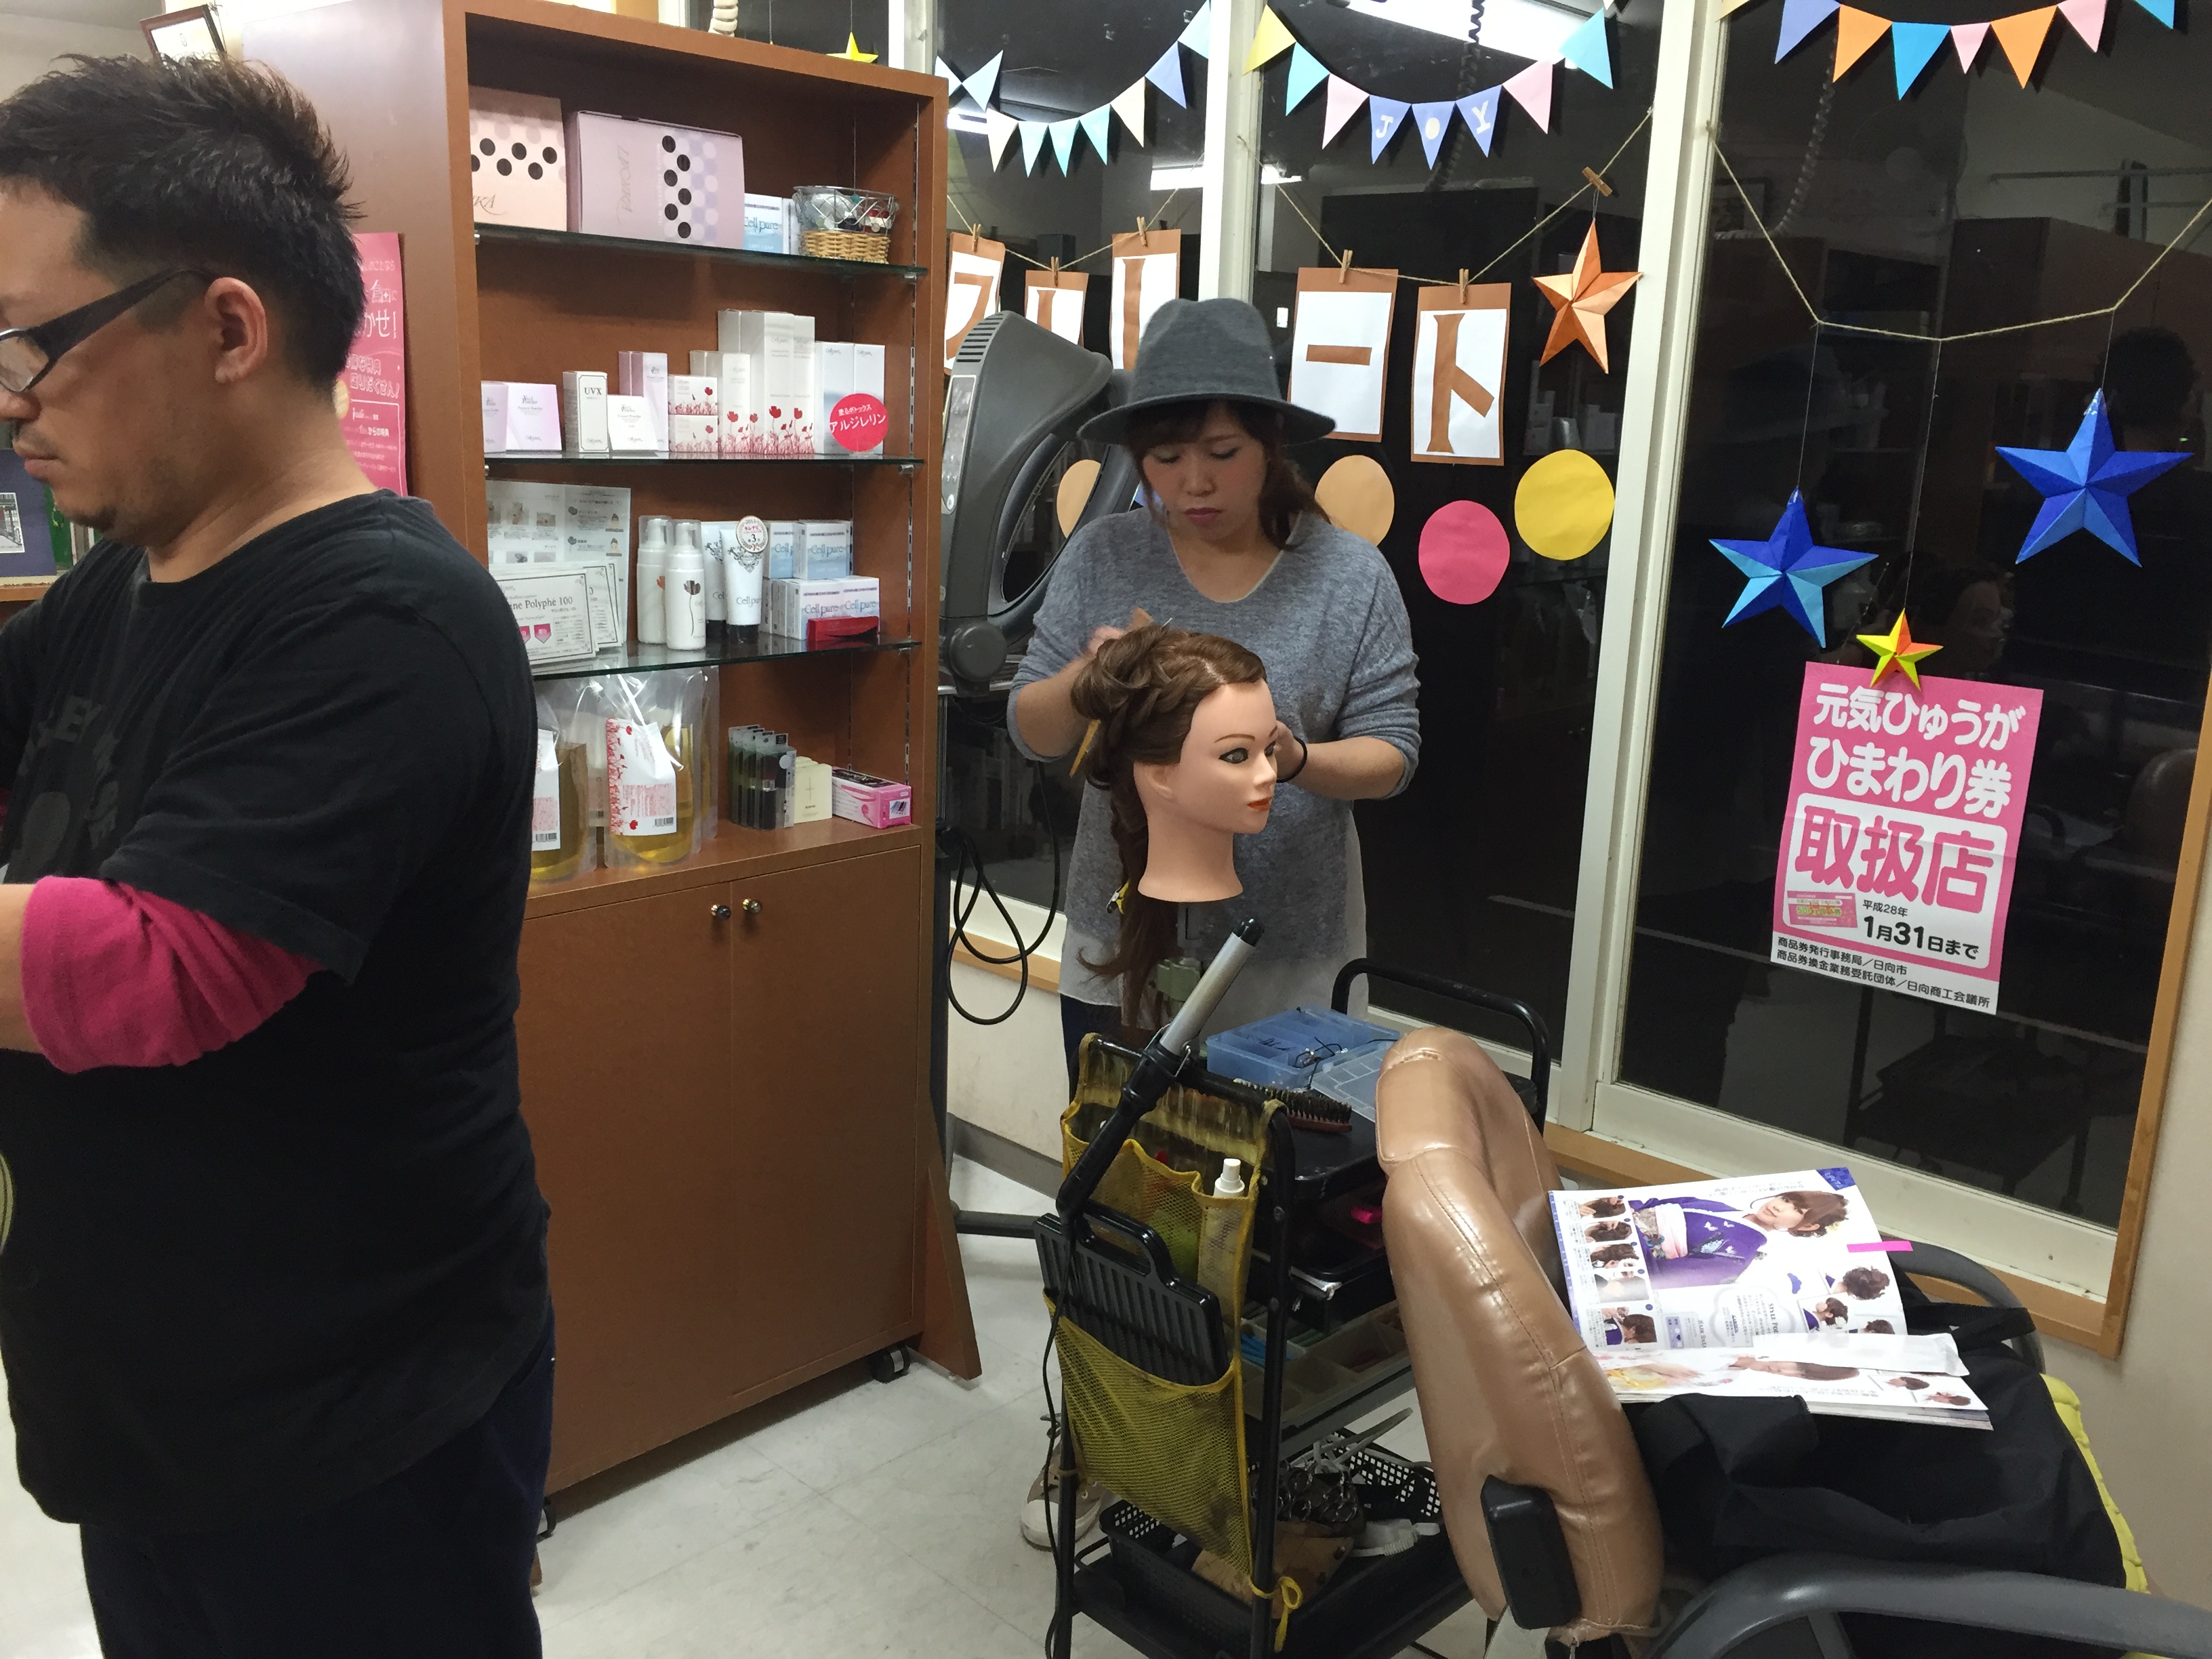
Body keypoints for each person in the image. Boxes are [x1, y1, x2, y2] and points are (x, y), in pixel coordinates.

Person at [0, 56, 548, 1658]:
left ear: (228, 327)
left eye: (34, 343)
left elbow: (162, 965)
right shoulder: (122, 583)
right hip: (150, 1404)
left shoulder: (389, 618)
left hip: (351, 1424)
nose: (11, 398)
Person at [1010, 298, 1420, 1078]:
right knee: (1124, 1148)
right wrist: (1087, 682)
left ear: (1270, 445)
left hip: (1288, 954)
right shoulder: (1104, 556)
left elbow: (1392, 756)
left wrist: (1294, 759)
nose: (1194, 482)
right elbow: (1032, 730)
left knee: (1272, 1151)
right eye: (1165, 459)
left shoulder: (1348, 577)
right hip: (1124, 939)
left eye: (1223, 453)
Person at [1627, 1187, 1849, 1288]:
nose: (1779, 1207)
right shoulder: (1719, 1206)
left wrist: (1628, 1230)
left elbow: (1662, 1279)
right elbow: (1649, 1205)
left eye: (1797, 1210)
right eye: (1786, 1199)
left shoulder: (1738, 1254)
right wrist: (1621, 1210)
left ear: (1808, 1226)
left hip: (1623, 1253)